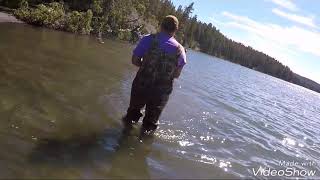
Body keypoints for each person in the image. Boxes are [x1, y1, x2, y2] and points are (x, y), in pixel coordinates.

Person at [122, 15, 187, 135]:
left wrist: (145, 65)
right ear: (175, 30)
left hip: (141, 85)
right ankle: (143, 147)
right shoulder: (180, 50)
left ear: (161, 25)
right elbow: (176, 75)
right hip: (160, 92)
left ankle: (124, 137)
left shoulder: (147, 39)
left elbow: (135, 60)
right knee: (150, 125)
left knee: (131, 115)